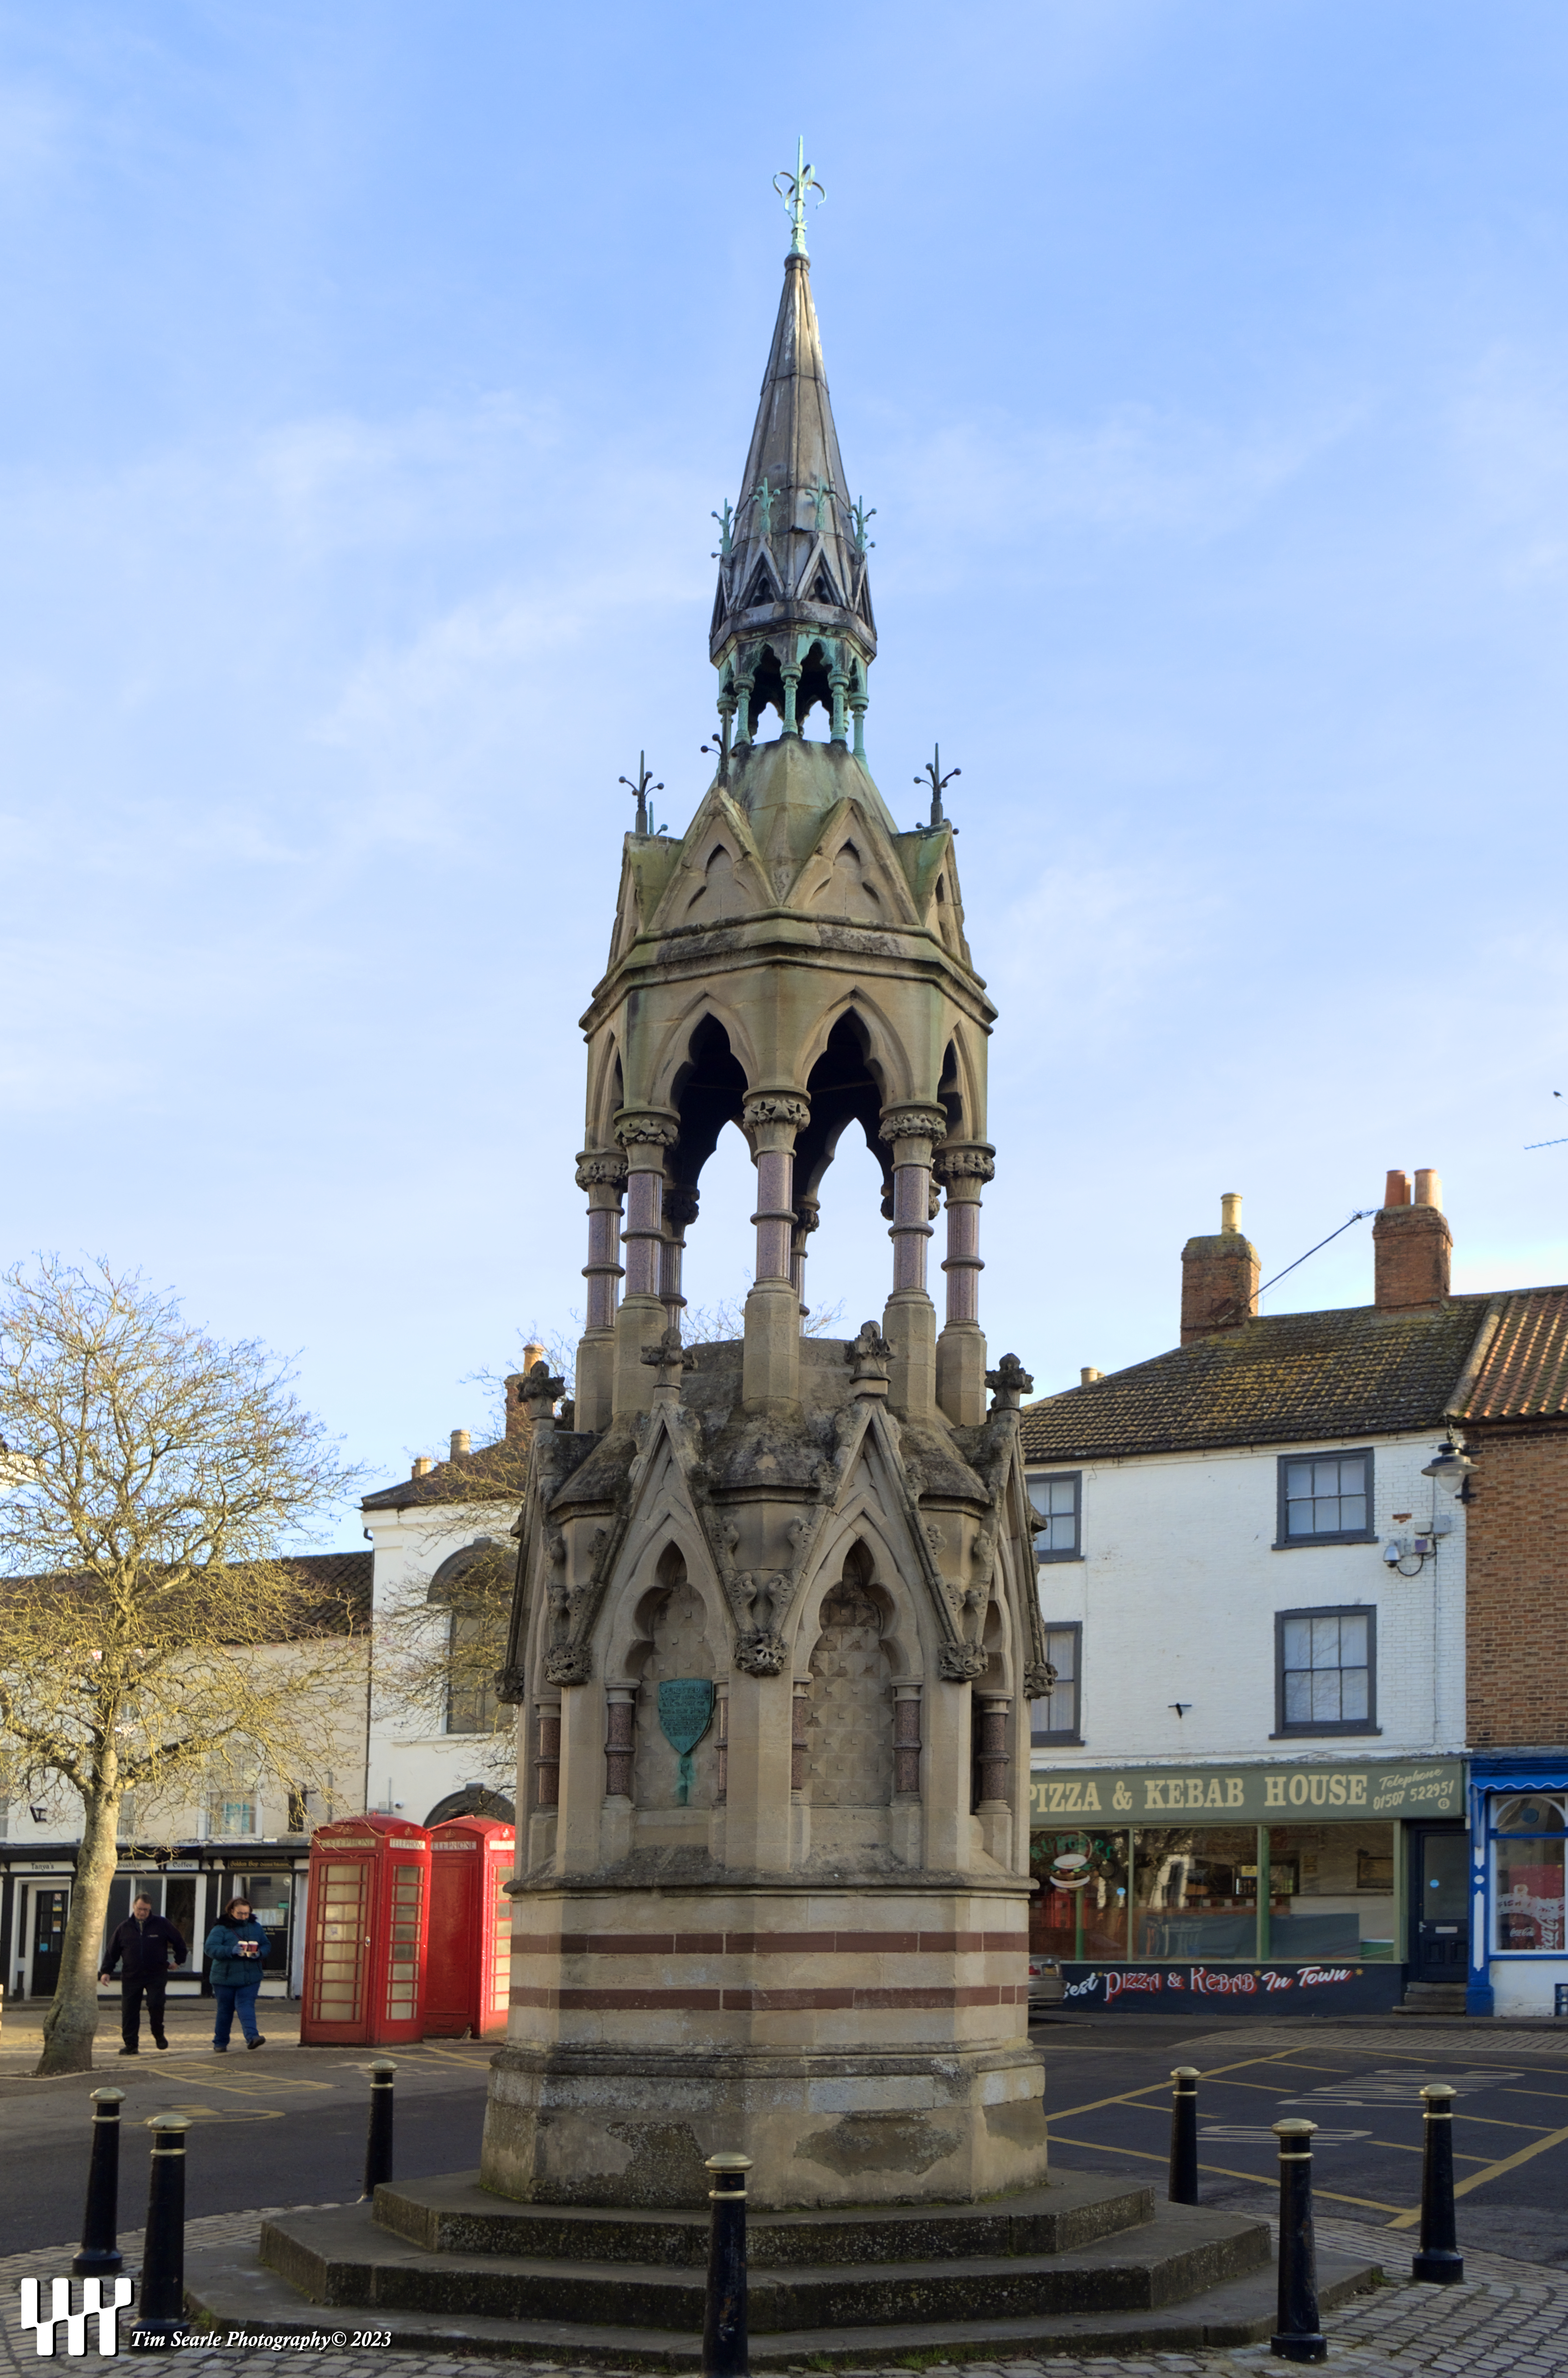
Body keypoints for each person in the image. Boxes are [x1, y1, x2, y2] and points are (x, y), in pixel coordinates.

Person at [99, 1892, 187, 2055]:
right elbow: (112, 1952)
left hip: (156, 1974)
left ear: (150, 1909)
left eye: (146, 1910)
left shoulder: (161, 1924)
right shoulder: (124, 1928)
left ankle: (158, 2034)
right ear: (134, 1907)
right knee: (129, 2011)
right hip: (132, 1976)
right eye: (140, 1909)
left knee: (156, 2004)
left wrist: (178, 1961)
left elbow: (179, 1942)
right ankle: (131, 2044)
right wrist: (106, 1971)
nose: (142, 1913)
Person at [204, 1898, 269, 2051]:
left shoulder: (256, 1927)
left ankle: (253, 2037)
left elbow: (266, 1944)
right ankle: (220, 2043)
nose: (244, 1917)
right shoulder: (221, 1929)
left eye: (247, 1914)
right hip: (224, 1977)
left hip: (250, 1976)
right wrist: (230, 1951)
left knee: (246, 2006)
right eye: (240, 1914)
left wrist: (260, 1953)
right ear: (232, 1911)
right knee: (225, 2010)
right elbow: (210, 1948)